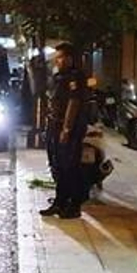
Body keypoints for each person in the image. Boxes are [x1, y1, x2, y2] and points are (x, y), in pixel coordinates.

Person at [40, 42, 90, 219]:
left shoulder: (75, 77)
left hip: (68, 127)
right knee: (58, 166)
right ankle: (59, 202)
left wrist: (66, 129)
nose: (57, 61)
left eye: (60, 57)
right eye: (57, 58)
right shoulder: (59, 76)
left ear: (69, 58)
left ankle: (74, 205)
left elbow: (73, 104)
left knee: (70, 166)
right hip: (55, 124)